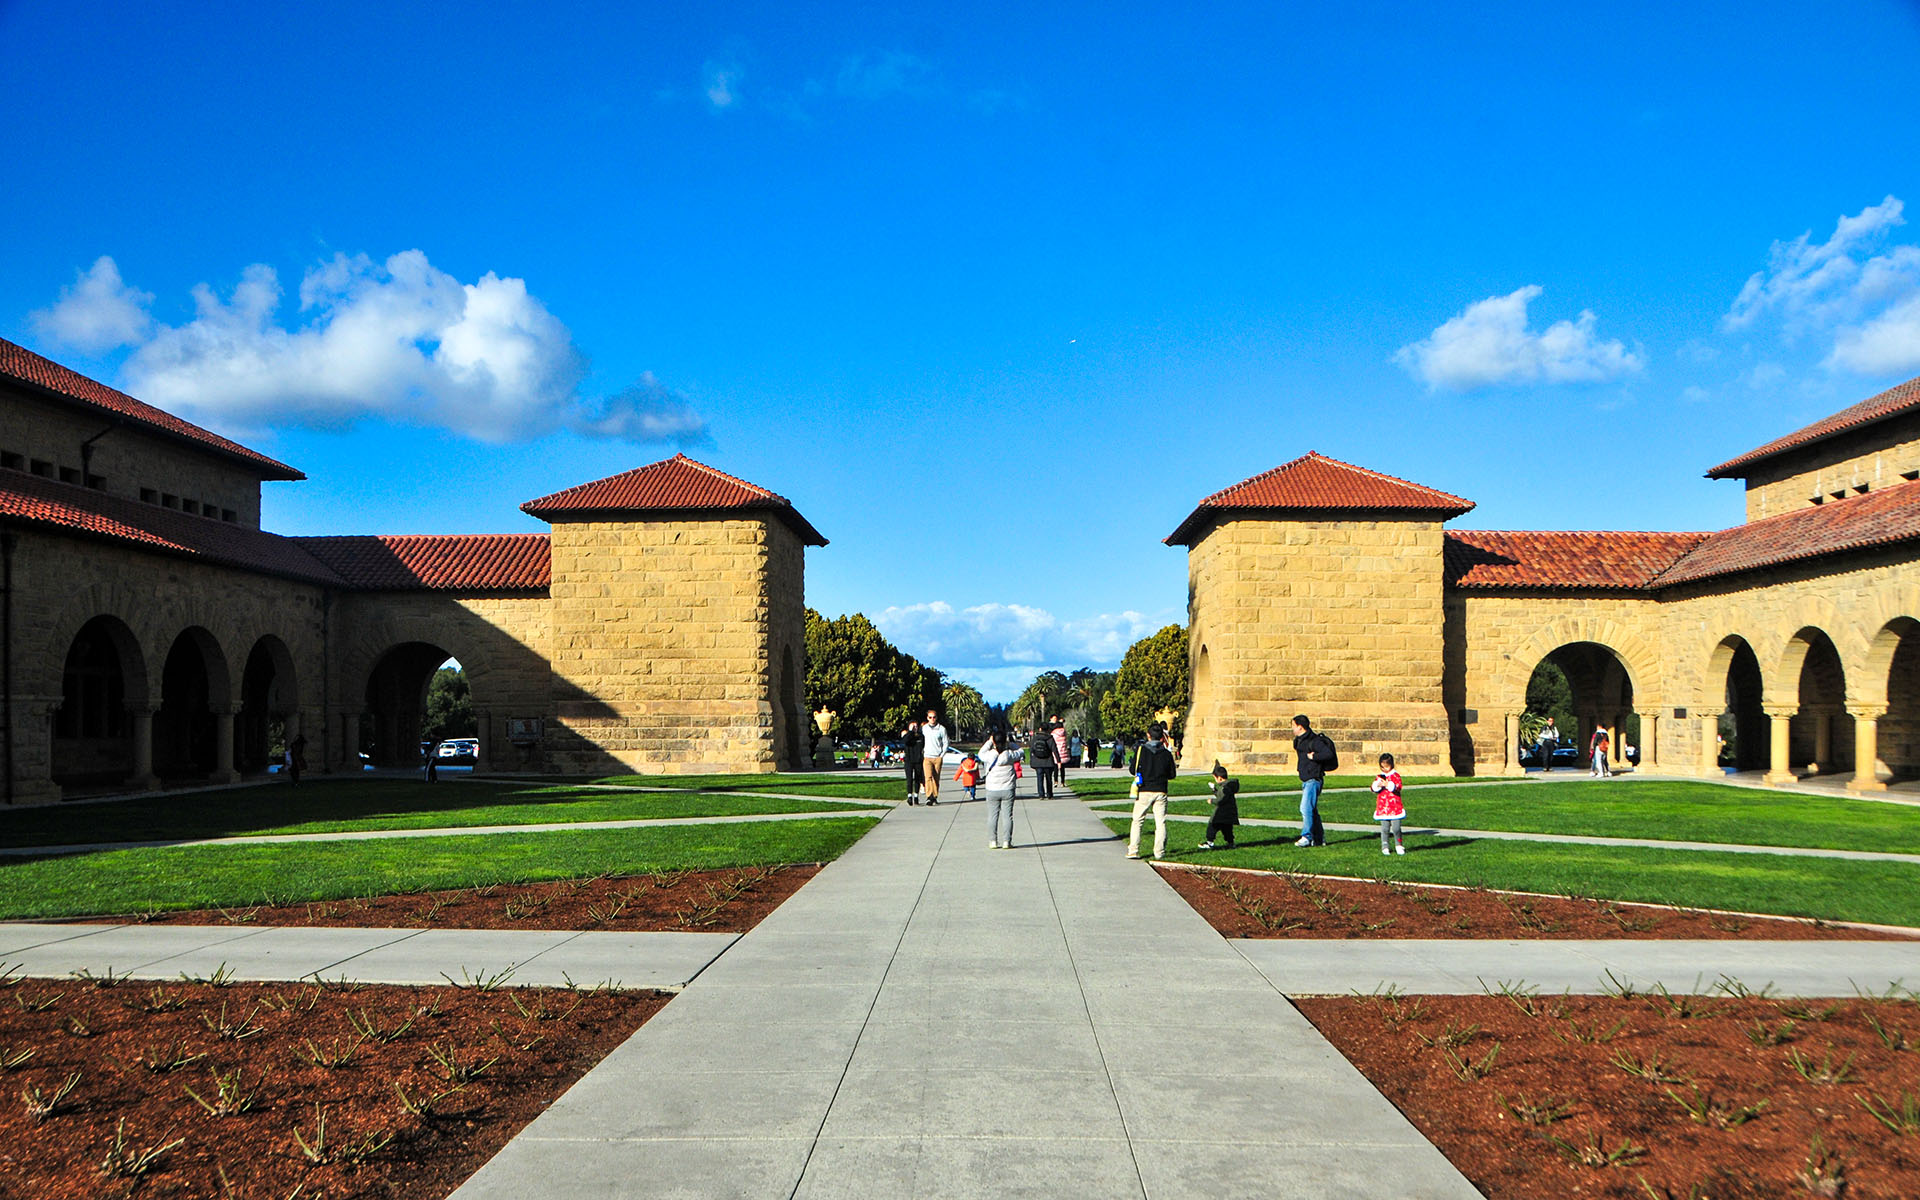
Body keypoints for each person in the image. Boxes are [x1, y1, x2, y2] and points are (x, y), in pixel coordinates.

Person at [1127, 723, 1177, 860]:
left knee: (1138, 820)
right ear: (1162, 738)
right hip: (1161, 790)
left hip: (1144, 789)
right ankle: (1159, 852)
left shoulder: (1141, 751)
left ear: (1148, 735)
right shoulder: (1166, 754)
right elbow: (1172, 774)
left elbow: (1133, 770)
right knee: (1160, 822)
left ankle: (1133, 850)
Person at [1291, 714, 1335, 847]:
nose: (1292, 729)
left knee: (1305, 808)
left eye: (1293, 726)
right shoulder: (1299, 741)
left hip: (1313, 778)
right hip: (1306, 778)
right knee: (1311, 810)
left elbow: (1328, 754)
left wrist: (1314, 757)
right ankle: (1319, 838)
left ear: (1300, 727)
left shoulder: (1314, 741)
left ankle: (1307, 836)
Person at [978, 729, 1024, 848]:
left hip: (992, 788)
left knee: (992, 816)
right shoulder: (1010, 755)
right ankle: (1007, 841)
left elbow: (980, 753)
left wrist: (990, 741)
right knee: (1007, 816)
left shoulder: (989, 755)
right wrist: (1009, 743)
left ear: (994, 741)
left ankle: (992, 841)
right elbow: (1021, 751)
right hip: (1008, 788)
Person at [1197, 762, 1238, 851]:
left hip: (1221, 813)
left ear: (1219, 778)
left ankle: (1209, 842)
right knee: (1227, 829)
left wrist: (1212, 801)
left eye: (1215, 778)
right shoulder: (1227, 786)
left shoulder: (1225, 788)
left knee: (1212, 826)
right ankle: (1231, 843)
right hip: (1228, 813)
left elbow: (1221, 800)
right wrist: (1214, 789)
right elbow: (1221, 796)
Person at [1372, 752, 1406, 855]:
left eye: (1386, 767)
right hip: (1383, 807)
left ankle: (1399, 845)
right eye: (1382, 767)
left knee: (1396, 828)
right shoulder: (1380, 777)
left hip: (1395, 807)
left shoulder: (1395, 776)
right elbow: (1373, 789)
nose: (1384, 769)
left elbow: (1398, 787)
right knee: (1385, 828)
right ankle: (1385, 846)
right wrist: (1377, 785)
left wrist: (1389, 785)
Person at [922, 708, 950, 805]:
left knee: (936, 778)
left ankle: (934, 796)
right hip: (927, 756)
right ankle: (929, 796)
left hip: (937, 757)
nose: (932, 719)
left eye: (934, 717)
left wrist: (941, 755)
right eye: (930, 717)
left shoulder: (941, 729)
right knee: (928, 777)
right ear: (927, 718)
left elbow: (946, 742)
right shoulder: (924, 728)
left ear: (936, 718)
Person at [1028, 725, 1057, 798]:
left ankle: (1041, 794)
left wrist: (1031, 760)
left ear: (1040, 729)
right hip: (1048, 761)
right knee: (1049, 779)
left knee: (1039, 779)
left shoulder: (1035, 738)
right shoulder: (1050, 738)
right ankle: (1049, 794)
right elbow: (1054, 750)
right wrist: (1058, 761)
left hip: (1037, 761)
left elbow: (1031, 750)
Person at [903, 719, 926, 804]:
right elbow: (905, 741)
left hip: (918, 760)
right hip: (909, 760)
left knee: (917, 778)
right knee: (909, 779)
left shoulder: (920, 736)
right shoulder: (907, 736)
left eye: (916, 726)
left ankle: (916, 796)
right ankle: (909, 796)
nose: (914, 728)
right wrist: (910, 732)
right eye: (913, 726)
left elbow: (922, 745)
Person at [1050, 717, 1070, 782]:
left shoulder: (1053, 734)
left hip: (1056, 752)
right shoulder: (1064, 733)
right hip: (1063, 752)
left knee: (1056, 768)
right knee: (1062, 769)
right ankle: (1062, 781)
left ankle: (1055, 781)